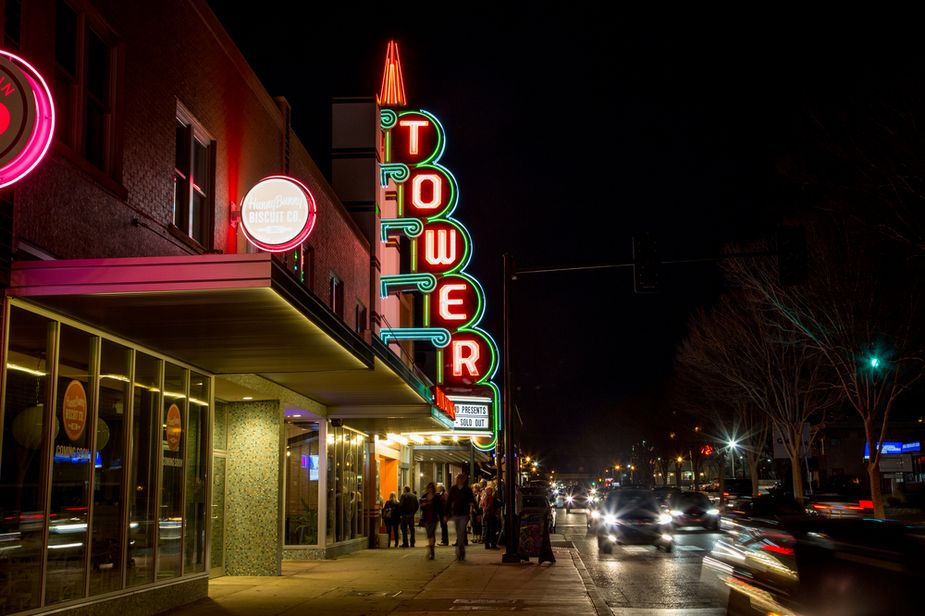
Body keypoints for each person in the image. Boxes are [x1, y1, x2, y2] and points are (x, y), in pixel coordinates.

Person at [447, 473, 475, 560]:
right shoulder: (453, 489)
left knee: (461, 532)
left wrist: (477, 512)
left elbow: (472, 500)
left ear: (463, 480)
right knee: (459, 532)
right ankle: (461, 549)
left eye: (461, 479)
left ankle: (460, 550)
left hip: (464, 514)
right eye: (458, 478)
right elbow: (448, 501)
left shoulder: (467, 489)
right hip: (456, 513)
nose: (459, 480)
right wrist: (446, 514)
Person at [420, 482, 444, 560]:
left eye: (431, 487)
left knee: (431, 534)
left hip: (434, 518)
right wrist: (423, 505)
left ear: (433, 488)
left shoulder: (437, 497)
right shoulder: (424, 496)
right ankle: (431, 549)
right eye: (429, 487)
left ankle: (432, 552)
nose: (430, 489)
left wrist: (443, 516)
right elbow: (421, 506)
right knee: (429, 535)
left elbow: (440, 507)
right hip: (426, 518)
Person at [481, 481, 500, 549]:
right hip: (491, 515)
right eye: (490, 490)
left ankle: (487, 545)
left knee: (488, 530)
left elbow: (483, 505)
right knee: (492, 530)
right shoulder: (490, 497)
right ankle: (492, 544)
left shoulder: (484, 497)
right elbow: (489, 506)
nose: (491, 491)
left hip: (487, 515)